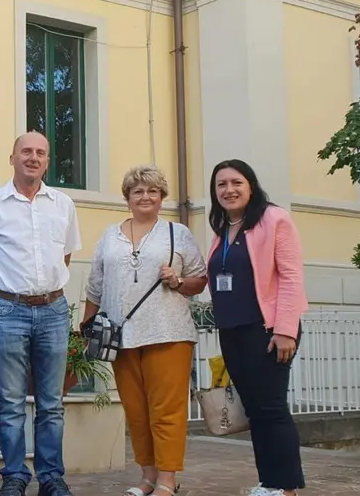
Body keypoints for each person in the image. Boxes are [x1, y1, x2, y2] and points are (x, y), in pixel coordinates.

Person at [82, 166, 208, 496]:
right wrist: (86, 327)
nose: (145, 197)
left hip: (168, 333)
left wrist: (178, 281)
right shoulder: (109, 235)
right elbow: (95, 286)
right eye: (138, 191)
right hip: (120, 337)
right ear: (127, 198)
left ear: (162, 197)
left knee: (166, 411)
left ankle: (167, 479)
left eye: (152, 191)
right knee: (136, 412)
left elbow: (199, 280)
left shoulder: (177, 233)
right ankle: (148, 476)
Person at [0, 131, 82, 496]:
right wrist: (7, 292)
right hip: (7, 310)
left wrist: (42, 288)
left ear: (47, 161)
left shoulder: (63, 204)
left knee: (51, 403)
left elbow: (64, 255)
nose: (33, 158)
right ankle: (14, 476)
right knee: (11, 401)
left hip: (52, 310)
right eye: (26, 151)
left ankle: (51, 478)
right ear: (12, 157)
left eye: (40, 153)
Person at [207, 159, 307, 496]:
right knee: (254, 410)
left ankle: (286, 486)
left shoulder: (274, 219)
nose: (229, 190)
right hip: (232, 330)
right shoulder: (224, 228)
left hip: (267, 330)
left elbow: (291, 276)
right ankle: (269, 483)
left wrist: (285, 329)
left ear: (250, 185)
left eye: (236, 182)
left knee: (271, 408)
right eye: (221, 185)